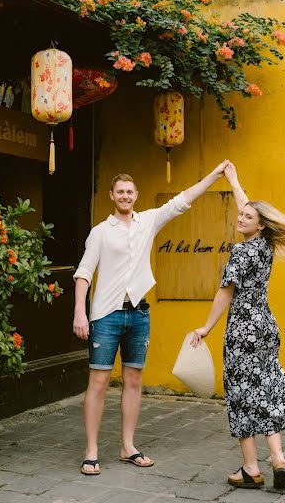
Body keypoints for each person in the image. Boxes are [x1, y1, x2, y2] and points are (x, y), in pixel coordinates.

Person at [72, 161, 230, 476]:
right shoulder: (101, 232)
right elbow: (84, 273)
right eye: (120, 192)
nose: (126, 196)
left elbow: (182, 201)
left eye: (130, 191)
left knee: (133, 381)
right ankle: (91, 450)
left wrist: (214, 175)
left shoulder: (147, 222)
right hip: (106, 315)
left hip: (139, 314)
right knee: (99, 382)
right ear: (112, 195)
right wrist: (80, 312)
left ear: (136, 195)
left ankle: (127, 446)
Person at [190, 163, 285, 490]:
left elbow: (224, 293)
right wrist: (234, 181)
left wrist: (206, 327)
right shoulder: (266, 245)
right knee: (264, 392)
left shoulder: (241, 251)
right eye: (241, 214)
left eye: (247, 217)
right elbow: (251, 210)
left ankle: (251, 468)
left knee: (241, 395)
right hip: (266, 325)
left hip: (242, 329)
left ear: (259, 226)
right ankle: (278, 459)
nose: (241, 217)